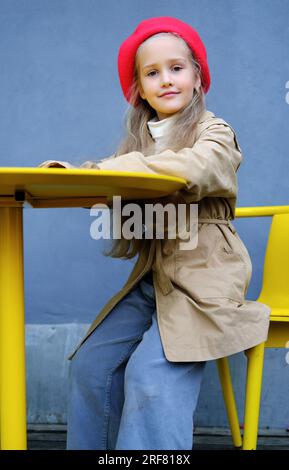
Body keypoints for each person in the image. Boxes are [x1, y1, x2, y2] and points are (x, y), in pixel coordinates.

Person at [39, 16, 271, 450]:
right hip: (155, 276)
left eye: (177, 68)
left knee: (149, 376)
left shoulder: (214, 133)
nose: (166, 80)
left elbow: (197, 169)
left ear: (198, 76)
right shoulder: (141, 146)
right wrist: (79, 182)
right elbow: (120, 184)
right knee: (92, 365)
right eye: (152, 73)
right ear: (139, 90)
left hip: (204, 276)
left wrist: (105, 172)